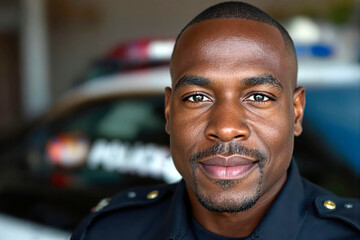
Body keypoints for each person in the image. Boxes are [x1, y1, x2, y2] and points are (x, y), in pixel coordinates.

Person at [71, 2, 359, 239]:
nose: (225, 128)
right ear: (169, 112)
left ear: (296, 112)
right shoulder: (107, 233)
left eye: (258, 97)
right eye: (197, 98)